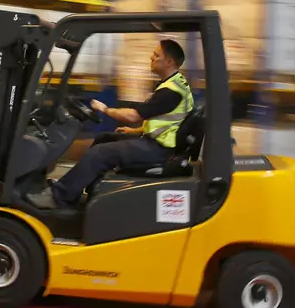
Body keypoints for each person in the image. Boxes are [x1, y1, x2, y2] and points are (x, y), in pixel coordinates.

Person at [26, 39, 193, 209]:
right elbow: (167, 121)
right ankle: (83, 190)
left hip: (158, 150)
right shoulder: (176, 84)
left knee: (100, 153)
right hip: (158, 144)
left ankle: (58, 197)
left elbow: (134, 115)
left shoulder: (170, 91)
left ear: (169, 62)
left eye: (157, 55)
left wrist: (105, 110)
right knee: (104, 138)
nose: (151, 57)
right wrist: (134, 131)